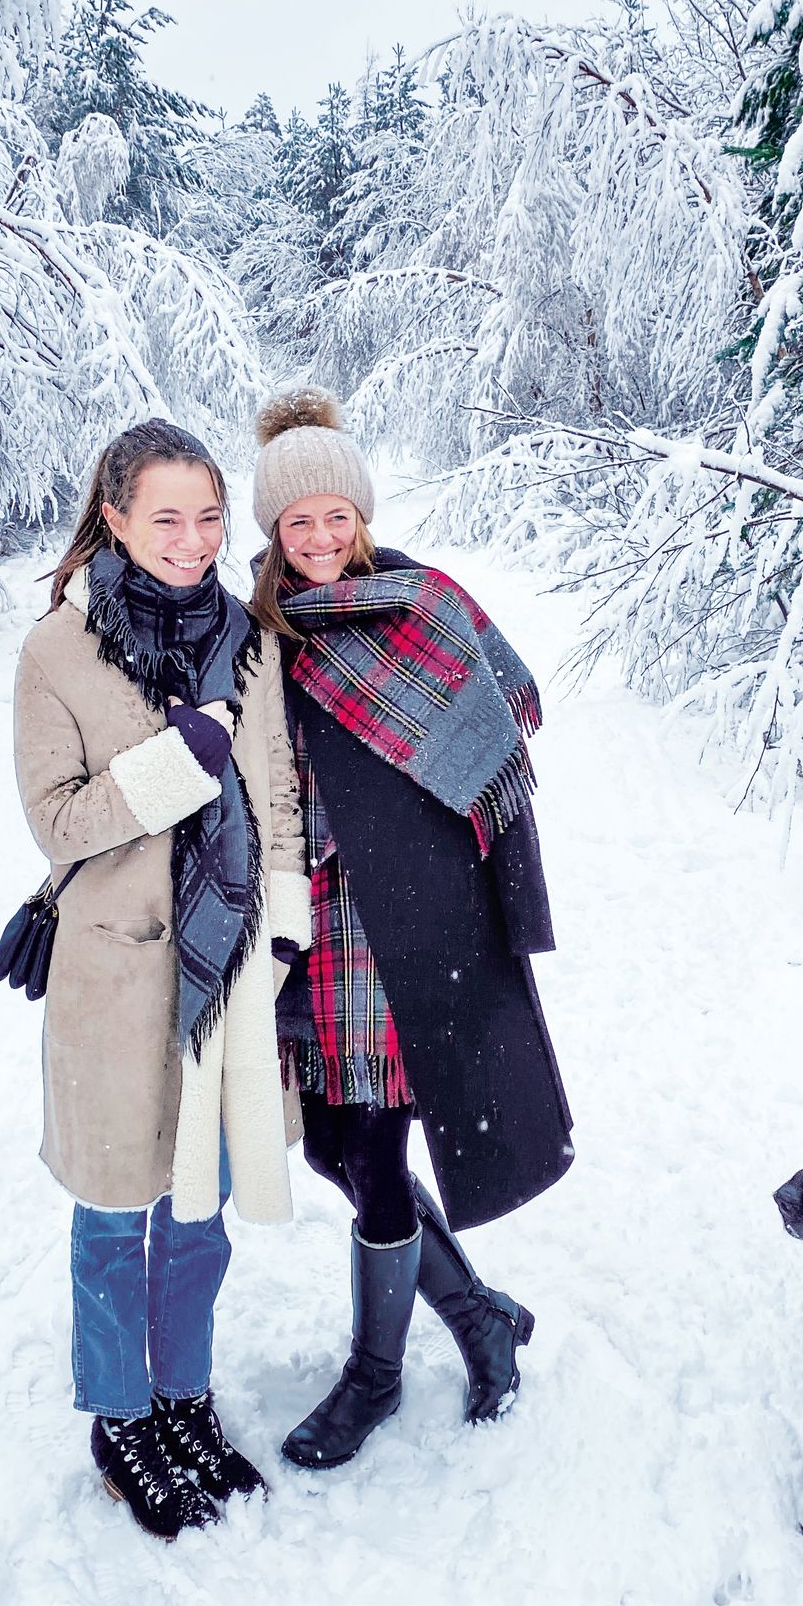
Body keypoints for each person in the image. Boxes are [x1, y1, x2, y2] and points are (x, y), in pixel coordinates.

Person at [251, 390, 574, 1470]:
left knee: (378, 1148)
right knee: (338, 1144)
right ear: (271, 529)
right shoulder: (264, 631)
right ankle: (476, 1316)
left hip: (414, 915)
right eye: (297, 523)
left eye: (334, 515)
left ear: (361, 511)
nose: (319, 540)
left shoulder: (422, 601)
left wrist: (420, 773)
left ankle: (375, 1379)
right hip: (315, 922)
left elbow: (513, 702)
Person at [12, 420, 312, 1538]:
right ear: (115, 520)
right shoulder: (55, 652)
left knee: (200, 1211)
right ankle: (119, 1415)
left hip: (227, 975)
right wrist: (170, 766)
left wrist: (281, 930)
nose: (191, 542)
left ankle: (182, 1395)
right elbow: (54, 823)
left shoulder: (246, 639)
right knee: (112, 1217)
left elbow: (277, 790)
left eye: (207, 518)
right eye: (166, 518)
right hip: (118, 975)